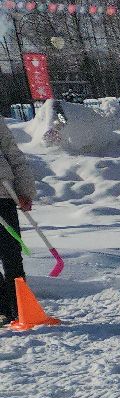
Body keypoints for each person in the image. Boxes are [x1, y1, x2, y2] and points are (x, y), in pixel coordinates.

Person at [0, 120, 37, 327]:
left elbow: (13, 154)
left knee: (11, 255)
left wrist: (24, 191)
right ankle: (2, 310)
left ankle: (21, 309)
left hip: (3, 195)